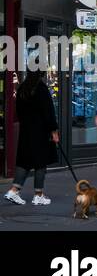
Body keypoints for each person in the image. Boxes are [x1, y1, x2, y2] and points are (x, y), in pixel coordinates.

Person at [4, 72, 60, 207]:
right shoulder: (41, 88)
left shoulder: (23, 88)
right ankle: (38, 195)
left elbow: (18, 110)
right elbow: (49, 111)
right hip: (40, 131)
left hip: (26, 131)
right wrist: (53, 130)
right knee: (40, 162)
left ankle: (14, 190)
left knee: (25, 161)